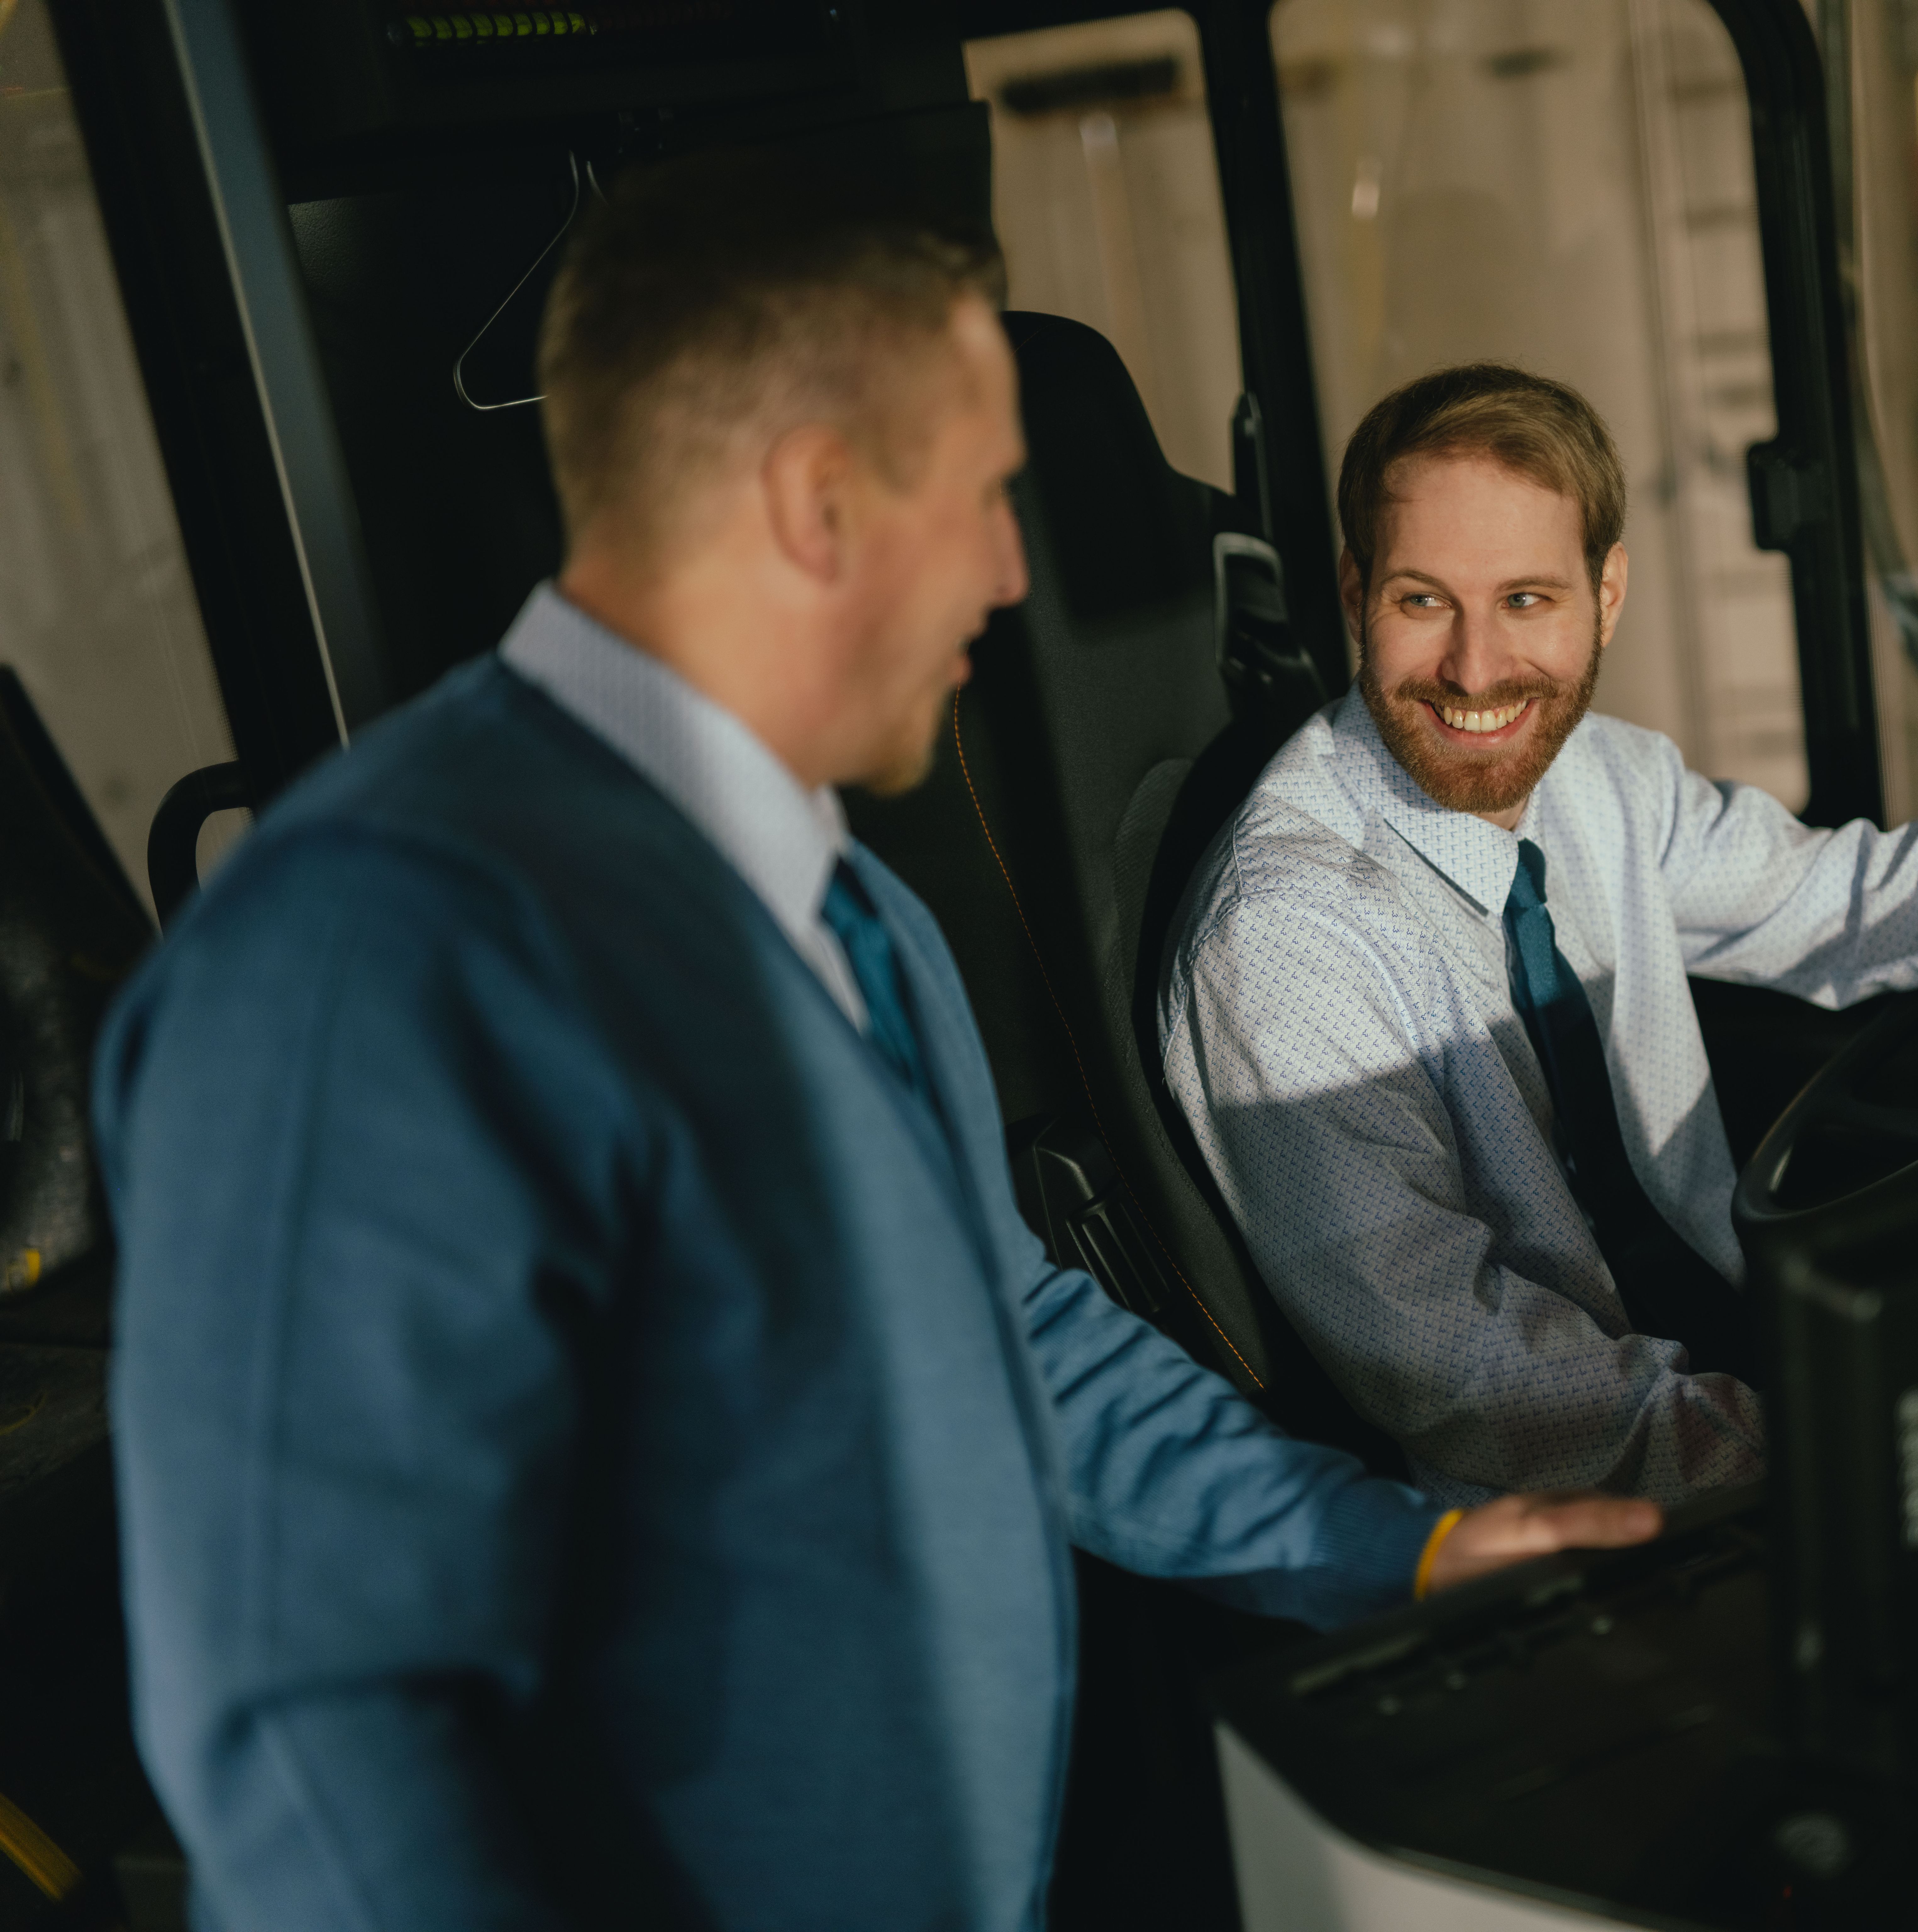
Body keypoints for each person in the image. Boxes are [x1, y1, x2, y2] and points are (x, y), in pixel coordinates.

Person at [95, 157, 1661, 1932]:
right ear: (818, 504)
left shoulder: (847, 910)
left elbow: (1014, 1336)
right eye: (990, 497)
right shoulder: (365, 960)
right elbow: (319, 1734)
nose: (1009, 578)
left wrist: (1401, 1549)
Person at [1159, 364, 1918, 1508]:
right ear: (1352, 594)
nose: (1475, 667)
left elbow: (1855, 906)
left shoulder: (1597, 780)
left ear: (1606, 593)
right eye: (1422, 602)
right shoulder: (1283, 940)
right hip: (1552, 1524)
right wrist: (1841, 1443)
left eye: (1524, 599)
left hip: (1732, 1359)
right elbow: (1473, 1386)